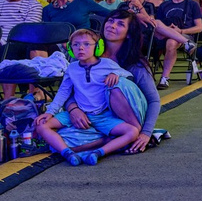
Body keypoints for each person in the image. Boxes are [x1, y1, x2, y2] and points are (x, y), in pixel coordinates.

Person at [34, 29, 141, 166]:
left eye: (86, 44)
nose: (81, 48)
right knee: (42, 126)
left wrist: (116, 74)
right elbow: (63, 92)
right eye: (76, 45)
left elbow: (129, 77)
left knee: (132, 131)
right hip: (79, 113)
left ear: (97, 47)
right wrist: (50, 112)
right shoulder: (72, 68)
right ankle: (67, 153)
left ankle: (99, 152)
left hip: (102, 115)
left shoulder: (107, 64)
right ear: (70, 48)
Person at [154, 0, 202, 89]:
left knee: (171, 42)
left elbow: (199, 27)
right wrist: (168, 28)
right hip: (164, 35)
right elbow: (159, 25)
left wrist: (181, 31)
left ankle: (164, 78)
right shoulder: (164, 5)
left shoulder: (192, 4)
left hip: (185, 34)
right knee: (157, 27)